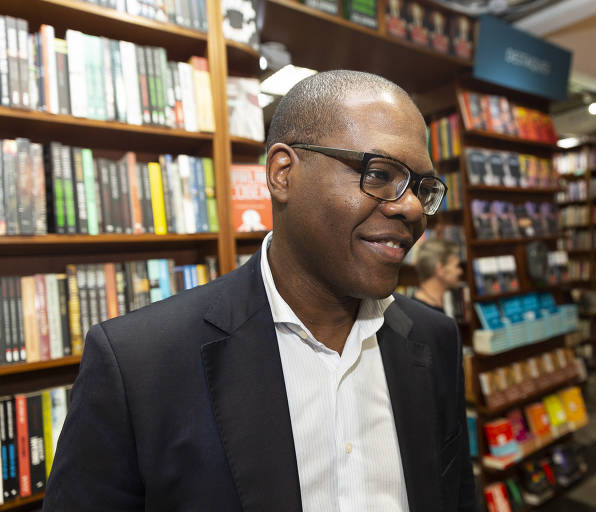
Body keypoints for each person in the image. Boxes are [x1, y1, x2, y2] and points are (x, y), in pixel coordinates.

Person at [44, 70, 475, 511]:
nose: (411, 207)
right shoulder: (137, 364)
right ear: (282, 173)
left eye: (422, 189)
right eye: (380, 173)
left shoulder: (433, 339)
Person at [413, 238, 463, 313]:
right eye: (457, 266)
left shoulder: (436, 304)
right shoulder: (418, 312)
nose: (460, 271)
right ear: (440, 269)